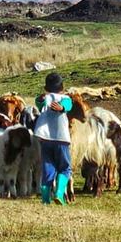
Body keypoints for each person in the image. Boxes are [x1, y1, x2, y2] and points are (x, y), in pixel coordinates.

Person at [33, 72, 72, 205]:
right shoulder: (65, 98)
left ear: (46, 88)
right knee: (65, 167)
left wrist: (41, 98)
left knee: (48, 167)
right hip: (61, 138)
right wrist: (61, 108)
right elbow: (68, 106)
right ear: (63, 87)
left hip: (45, 139)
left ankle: (45, 199)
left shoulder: (46, 98)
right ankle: (59, 194)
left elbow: (39, 103)